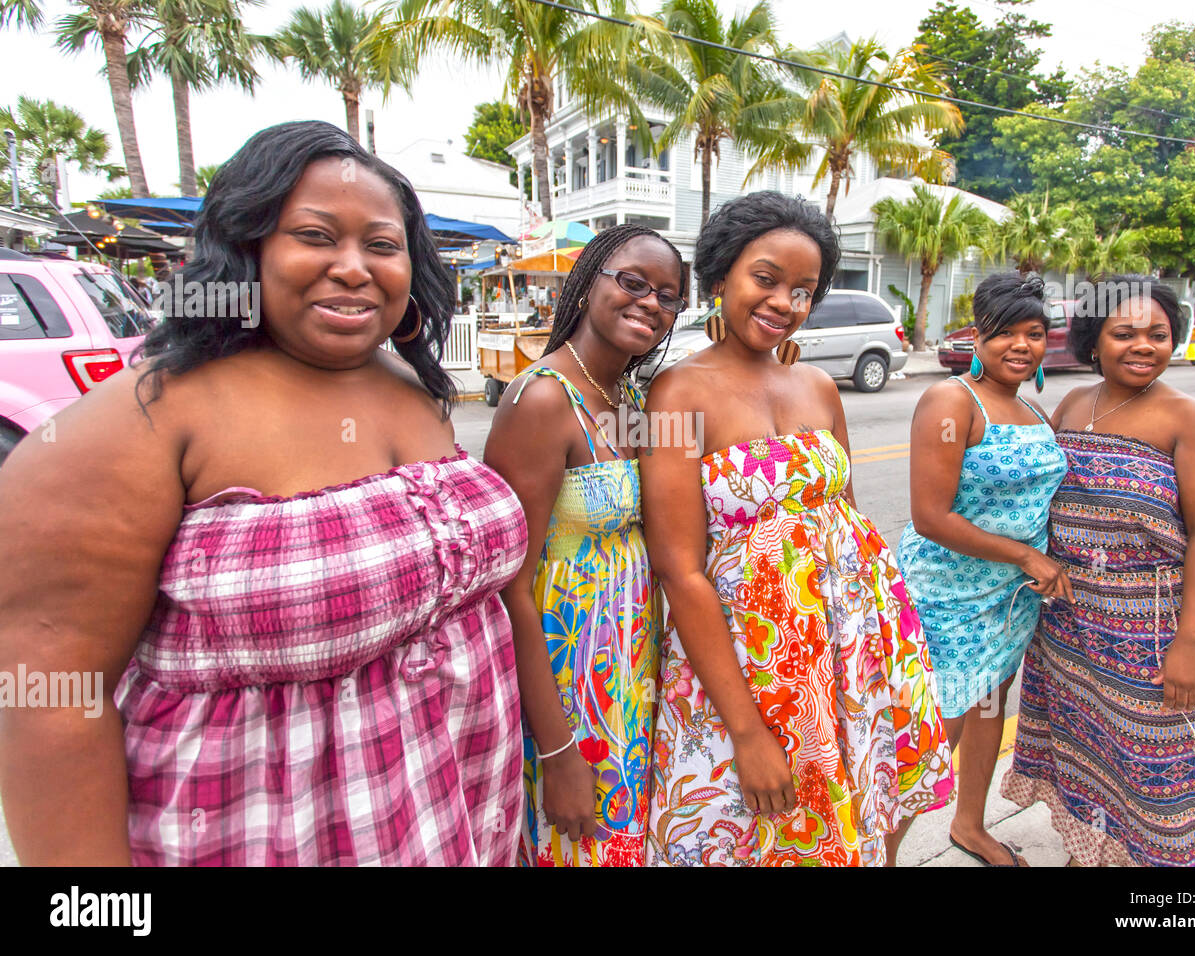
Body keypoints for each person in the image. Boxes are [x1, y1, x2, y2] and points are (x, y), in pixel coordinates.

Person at [0, 121, 527, 866]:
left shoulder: (415, 388)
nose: (353, 267)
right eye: (315, 236)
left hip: (460, 809)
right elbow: (52, 706)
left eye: (381, 245)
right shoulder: (139, 424)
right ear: (245, 249)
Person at [641, 192, 953, 867]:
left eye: (804, 290)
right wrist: (748, 732)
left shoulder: (817, 385)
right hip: (751, 664)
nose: (785, 301)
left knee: (859, 813)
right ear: (721, 275)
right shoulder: (676, 394)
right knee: (750, 831)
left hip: (853, 648)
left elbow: (841, 515)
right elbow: (680, 570)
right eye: (766, 278)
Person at [1000, 276, 1195, 866]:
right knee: (1093, 753)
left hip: (1154, 630)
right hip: (1074, 628)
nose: (1143, 346)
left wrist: (1189, 644)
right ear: (1094, 339)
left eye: (1158, 335)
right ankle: (1096, 850)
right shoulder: (1076, 404)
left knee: (1160, 773)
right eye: (1124, 333)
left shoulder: (1192, 420)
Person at [485, 225, 687, 866]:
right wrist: (556, 749)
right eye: (631, 282)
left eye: (667, 295)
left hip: (630, 670)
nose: (649, 302)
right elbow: (509, 585)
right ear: (586, 283)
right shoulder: (543, 400)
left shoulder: (624, 394)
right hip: (571, 687)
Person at [897, 273, 1070, 867]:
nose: (1021, 346)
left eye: (1035, 333)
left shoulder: (1031, 407)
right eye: (1005, 334)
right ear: (977, 336)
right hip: (948, 596)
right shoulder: (951, 401)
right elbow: (930, 516)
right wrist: (1026, 554)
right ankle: (884, 853)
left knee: (991, 706)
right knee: (933, 731)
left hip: (1010, 598)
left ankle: (970, 825)